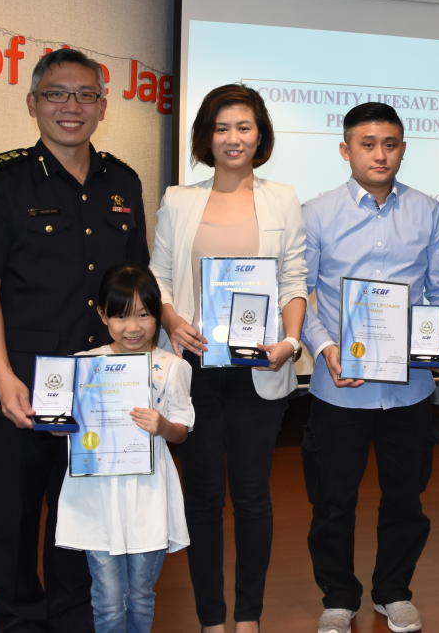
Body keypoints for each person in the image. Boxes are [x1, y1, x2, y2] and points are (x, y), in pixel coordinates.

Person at [0, 46, 148, 632]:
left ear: (102, 106)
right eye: (57, 94)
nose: (72, 107)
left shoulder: (123, 180)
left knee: (79, 522)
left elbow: (135, 288)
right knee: (11, 524)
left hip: (96, 389)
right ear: (33, 103)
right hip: (20, 383)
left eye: (86, 95)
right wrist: (4, 375)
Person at [149, 84, 308, 633]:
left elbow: (294, 278)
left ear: (259, 134)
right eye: (221, 128)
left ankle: (248, 617)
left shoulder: (282, 197)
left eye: (243, 127)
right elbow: (158, 276)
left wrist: (289, 343)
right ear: (206, 137)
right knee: (204, 498)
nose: (232, 138)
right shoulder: (179, 199)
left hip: (261, 371)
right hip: (195, 370)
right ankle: (211, 618)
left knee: (252, 495)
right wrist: (170, 320)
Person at [299, 103, 439, 633]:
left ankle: (394, 591)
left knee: (406, 499)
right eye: (367, 144)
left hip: (410, 389)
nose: (380, 153)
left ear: (403, 148)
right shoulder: (317, 213)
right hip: (339, 387)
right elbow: (302, 294)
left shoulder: (427, 211)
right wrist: (324, 349)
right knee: (332, 502)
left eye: (390, 143)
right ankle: (338, 598)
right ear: (346, 150)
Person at [55, 263, 194, 633]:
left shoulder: (172, 367)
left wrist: (162, 425)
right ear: (102, 315)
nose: (133, 328)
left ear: (156, 316)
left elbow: (181, 429)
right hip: (98, 497)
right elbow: (62, 426)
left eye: (144, 315)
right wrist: (56, 424)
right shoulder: (84, 366)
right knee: (108, 597)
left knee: (141, 593)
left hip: (148, 496)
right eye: (120, 316)